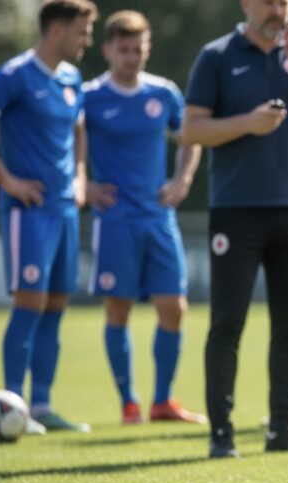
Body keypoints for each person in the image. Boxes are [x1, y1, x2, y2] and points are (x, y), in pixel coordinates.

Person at [182, 0, 288, 458]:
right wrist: (248, 124)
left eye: (284, 1)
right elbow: (191, 129)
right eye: (268, 1)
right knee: (227, 323)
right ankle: (221, 435)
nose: (278, 9)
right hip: (236, 210)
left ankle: (281, 429)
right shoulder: (217, 56)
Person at [0, 0, 97, 434]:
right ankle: (12, 404)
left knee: (56, 305)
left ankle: (41, 405)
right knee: (29, 304)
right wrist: (7, 180)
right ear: (57, 30)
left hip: (64, 209)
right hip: (29, 212)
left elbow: (79, 130)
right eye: (82, 31)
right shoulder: (16, 74)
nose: (87, 39)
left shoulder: (71, 77)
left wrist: (80, 177)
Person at [83, 10, 205, 425]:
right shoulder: (90, 96)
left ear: (147, 49)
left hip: (159, 217)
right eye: (124, 50)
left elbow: (191, 136)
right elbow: (67, 141)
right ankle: (129, 403)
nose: (131, 57)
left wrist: (182, 180)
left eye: (138, 49)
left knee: (174, 308)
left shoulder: (164, 93)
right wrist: (84, 184)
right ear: (108, 50)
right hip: (114, 219)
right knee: (118, 311)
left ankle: (162, 401)